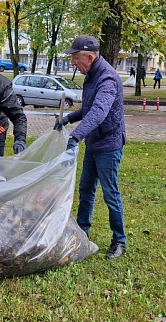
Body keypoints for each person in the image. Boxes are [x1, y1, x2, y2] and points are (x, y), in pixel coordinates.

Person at [53, 35, 127, 260]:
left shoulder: (107, 79)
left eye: (76, 58)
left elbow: (99, 111)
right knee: (86, 189)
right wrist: (69, 119)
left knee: (110, 193)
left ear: (90, 57)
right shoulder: (91, 76)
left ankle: (119, 241)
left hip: (109, 144)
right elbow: (88, 108)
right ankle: (82, 231)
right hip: (94, 142)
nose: (73, 63)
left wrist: (75, 136)